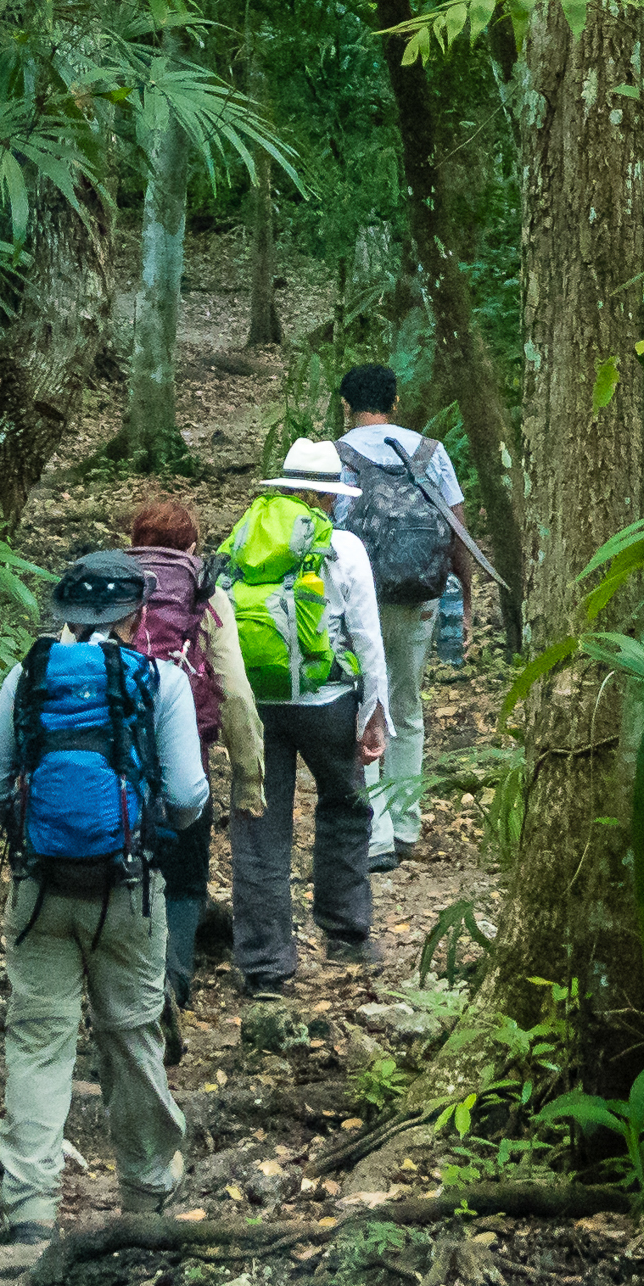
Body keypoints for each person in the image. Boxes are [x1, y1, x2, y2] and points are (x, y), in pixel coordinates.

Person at [0, 549, 203, 1237]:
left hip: (39, 889)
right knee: (130, 1037)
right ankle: (147, 1194)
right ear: (134, 612)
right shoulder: (160, 680)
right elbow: (186, 795)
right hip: (126, 891)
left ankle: (31, 1208)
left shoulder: (27, 673)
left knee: (38, 1043)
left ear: (63, 611)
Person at [216, 441, 391, 996]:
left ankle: (265, 964)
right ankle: (345, 933)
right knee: (345, 805)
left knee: (259, 823)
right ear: (320, 495)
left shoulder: (244, 538)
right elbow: (368, 638)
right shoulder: (341, 547)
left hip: (257, 704)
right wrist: (375, 713)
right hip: (327, 701)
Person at [329, 364, 485, 873]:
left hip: (360, 599)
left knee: (365, 706)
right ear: (394, 401)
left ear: (348, 404)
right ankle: (407, 825)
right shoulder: (429, 453)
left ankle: (374, 835)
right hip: (420, 595)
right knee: (407, 705)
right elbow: (457, 527)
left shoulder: (337, 455)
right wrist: (463, 596)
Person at [117, 498, 260, 1008]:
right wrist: (249, 778)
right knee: (184, 879)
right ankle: (172, 984)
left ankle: (124, 988)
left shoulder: (105, 589)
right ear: (194, 548)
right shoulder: (206, 594)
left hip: (107, 762)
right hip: (184, 757)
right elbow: (237, 694)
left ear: (134, 544)